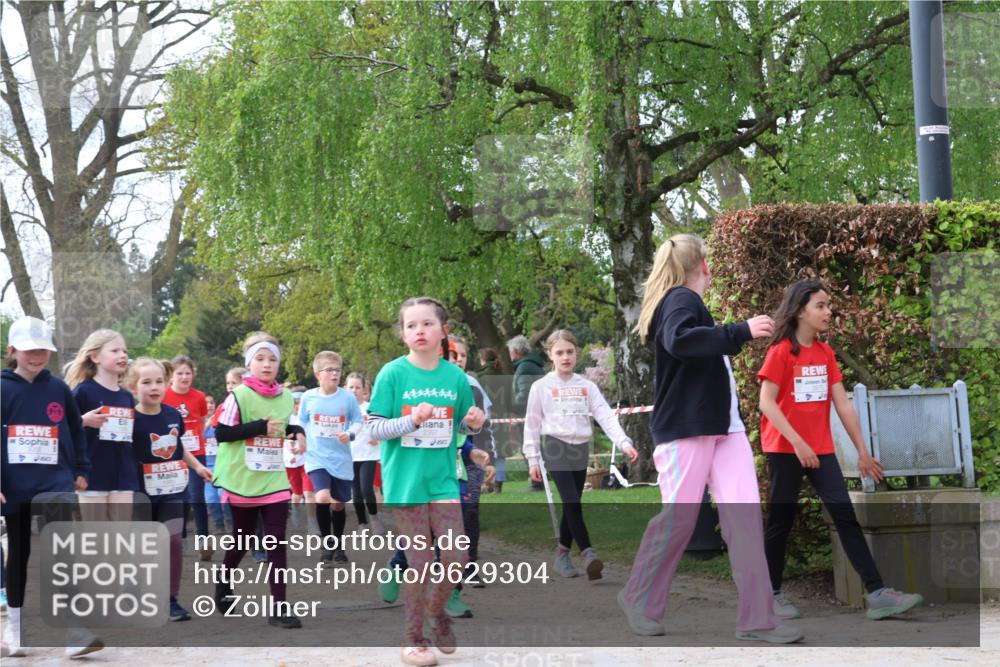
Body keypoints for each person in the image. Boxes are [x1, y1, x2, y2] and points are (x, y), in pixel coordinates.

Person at [618, 233, 803, 644]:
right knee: (679, 520)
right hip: (687, 430)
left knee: (744, 521)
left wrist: (733, 334)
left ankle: (757, 620)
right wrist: (741, 330)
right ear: (704, 264)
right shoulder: (679, 300)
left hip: (725, 428)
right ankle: (639, 598)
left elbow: (695, 348)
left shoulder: (687, 302)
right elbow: (681, 341)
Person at [759, 279, 922, 621]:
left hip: (820, 449)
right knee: (781, 521)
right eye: (821, 305)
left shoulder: (825, 353)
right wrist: (798, 443)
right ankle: (769, 594)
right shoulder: (781, 352)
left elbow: (843, 405)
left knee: (844, 515)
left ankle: (877, 593)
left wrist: (863, 450)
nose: (828, 312)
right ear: (801, 309)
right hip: (785, 449)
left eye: (828, 305)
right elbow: (767, 403)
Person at [367, 297, 484, 666]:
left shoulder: (455, 378)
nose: (420, 331)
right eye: (412, 325)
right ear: (403, 334)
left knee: (456, 557)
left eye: (427, 324)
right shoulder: (393, 374)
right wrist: (412, 422)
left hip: (444, 482)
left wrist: (472, 424)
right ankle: (413, 638)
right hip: (405, 484)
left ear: (442, 330)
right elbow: (374, 428)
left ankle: (436, 611)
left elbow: (459, 426)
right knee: (419, 563)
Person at [1, 316, 103, 658]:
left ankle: (76, 631)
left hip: (55, 482)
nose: (37, 355)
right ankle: (15, 632)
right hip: (13, 485)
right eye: (30, 350)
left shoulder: (58, 388)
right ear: (12, 350)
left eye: (43, 349)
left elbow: (75, 430)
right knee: (19, 554)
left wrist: (80, 468)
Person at [524, 329, 639, 581]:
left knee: (573, 503)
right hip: (554, 446)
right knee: (572, 502)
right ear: (550, 355)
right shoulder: (540, 387)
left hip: (579, 448)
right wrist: (532, 458)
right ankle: (588, 554)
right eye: (559, 352)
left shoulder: (586, 386)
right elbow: (531, 423)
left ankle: (562, 554)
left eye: (570, 352)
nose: (565, 357)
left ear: (576, 353)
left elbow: (605, 416)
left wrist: (623, 442)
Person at [211, 331, 306, 629]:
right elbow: (222, 433)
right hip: (242, 478)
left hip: (274, 479)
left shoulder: (286, 396)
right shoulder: (238, 395)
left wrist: (297, 432)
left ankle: (279, 607)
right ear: (249, 364)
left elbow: (281, 425)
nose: (267, 364)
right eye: (260, 359)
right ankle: (224, 581)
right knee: (242, 538)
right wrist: (258, 427)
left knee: (276, 541)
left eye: (273, 359)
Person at [127, 357, 213, 622]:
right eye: (146, 382)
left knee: (173, 541)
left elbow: (179, 447)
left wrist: (198, 467)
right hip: (140, 491)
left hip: (173, 488)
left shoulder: (173, 415)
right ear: (133, 387)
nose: (154, 387)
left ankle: (171, 598)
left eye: (159, 382)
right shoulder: (129, 417)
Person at [65, 329, 140, 522]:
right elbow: (63, 432)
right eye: (115, 351)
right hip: (92, 475)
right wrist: (83, 421)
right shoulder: (82, 392)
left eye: (125, 351)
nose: (122, 355)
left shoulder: (127, 397)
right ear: (95, 356)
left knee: (121, 537)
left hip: (123, 475)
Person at [299, 351, 363, 564]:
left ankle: (338, 544)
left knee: (338, 504)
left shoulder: (347, 398)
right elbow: (301, 423)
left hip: (341, 459)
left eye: (337, 370)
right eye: (329, 370)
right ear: (318, 374)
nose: (334, 374)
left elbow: (357, 421)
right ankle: (327, 546)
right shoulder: (308, 397)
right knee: (322, 497)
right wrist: (298, 439)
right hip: (317, 457)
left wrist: (350, 433)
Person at [163, 355, 211, 560]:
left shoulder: (199, 397)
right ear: (172, 376)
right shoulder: (164, 395)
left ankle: (204, 541)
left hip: (196, 452)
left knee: (197, 496)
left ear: (193, 374)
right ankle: (178, 540)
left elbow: (200, 421)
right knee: (178, 498)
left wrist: (192, 439)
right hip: (170, 453)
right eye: (179, 373)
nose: (184, 377)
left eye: (188, 373)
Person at [346, 372, 384, 534]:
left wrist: (378, 438)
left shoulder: (370, 408)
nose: (354, 390)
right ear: (346, 388)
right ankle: (362, 523)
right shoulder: (342, 409)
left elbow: (382, 426)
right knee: (356, 493)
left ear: (364, 390)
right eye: (351, 387)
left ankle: (374, 517)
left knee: (367, 489)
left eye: (358, 387)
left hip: (369, 454)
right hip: (350, 455)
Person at [508, 335, 546, 491]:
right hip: (538, 412)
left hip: (526, 415)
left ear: (516, 351)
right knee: (537, 447)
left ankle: (537, 482)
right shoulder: (535, 365)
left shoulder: (524, 367)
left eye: (510, 351)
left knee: (529, 447)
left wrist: (512, 409)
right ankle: (540, 480)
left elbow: (524, 394)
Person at [476, 348, 506, 493]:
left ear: (483, 360)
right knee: (501, 451)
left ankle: (487, 483)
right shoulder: (502, 376)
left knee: (484, 449)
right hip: (503, 416)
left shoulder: (480, 378)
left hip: (487, 417)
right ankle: (498, 483)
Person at [283, 387, 313, 509]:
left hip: (307, 461)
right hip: (291, 463)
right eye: (295, 403)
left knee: (309, 493)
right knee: (297, 494)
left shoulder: (309, 419)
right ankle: (296, 513)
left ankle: (313, 523)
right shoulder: (286, 420)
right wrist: (290, 454)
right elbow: (282, 441)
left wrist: (305, 447)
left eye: (301, 403)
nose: (298, 406)